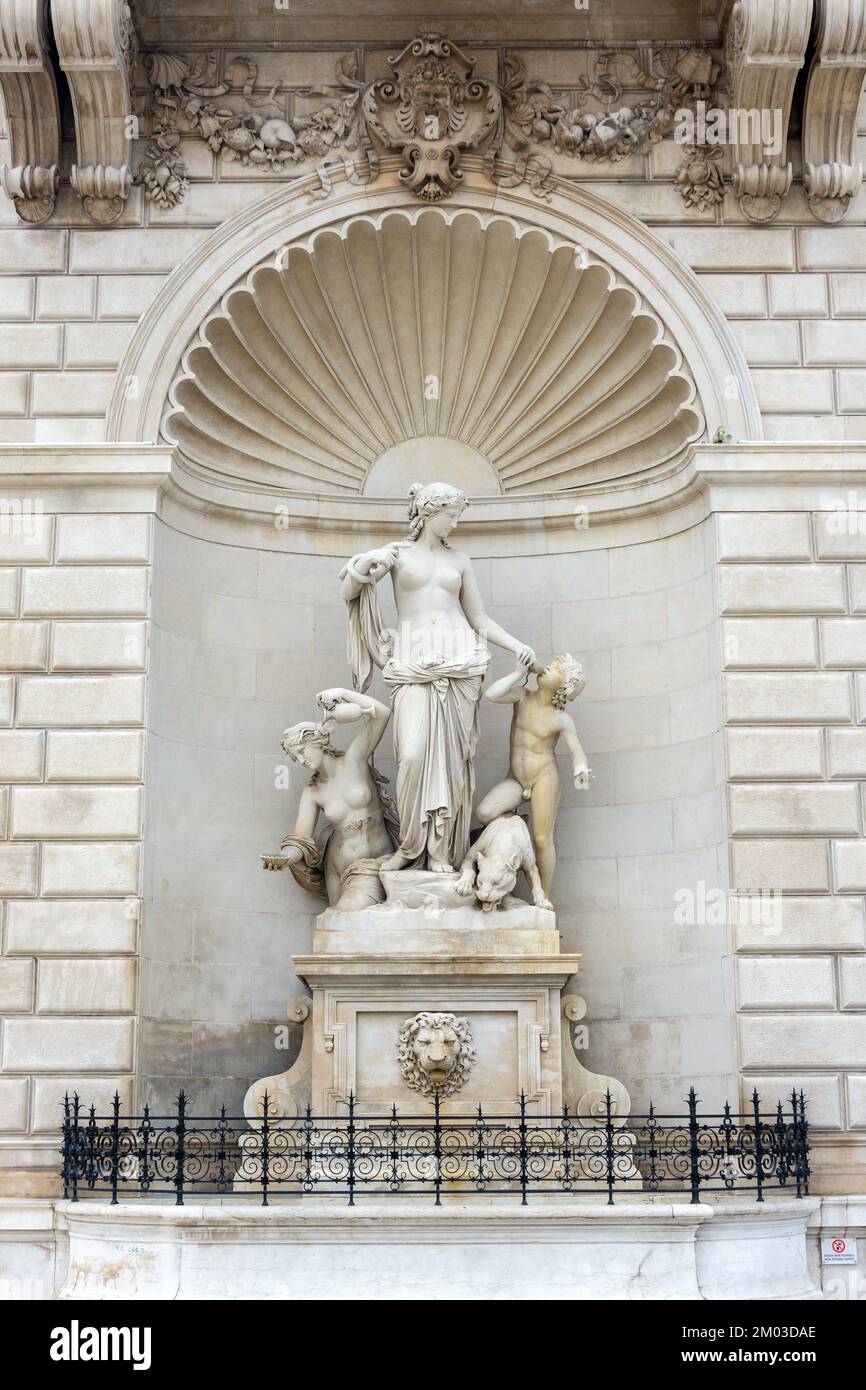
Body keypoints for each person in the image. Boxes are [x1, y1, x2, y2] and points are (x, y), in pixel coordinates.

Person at [340, 481, 536, 872]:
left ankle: (441, 852)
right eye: (451, 515)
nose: (456, 523)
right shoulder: (397, 555)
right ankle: (410, 847)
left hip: (460, 662)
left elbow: (478, 618)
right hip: (412, 665)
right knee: (412, 756)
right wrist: (367, 560)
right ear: (430, 512)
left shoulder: (460, 560)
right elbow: (349, 591)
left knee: (451, 763)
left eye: (459, 516)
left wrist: (515, 645)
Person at [261, 688, 396, 909]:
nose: (301, 760)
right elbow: (300, 839)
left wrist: (343, 693)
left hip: (379, 859)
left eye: (302, 751)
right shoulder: (313, 792)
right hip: (339, 867)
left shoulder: (355, 759)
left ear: (317, 742)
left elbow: (381, 713)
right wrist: (284, 858)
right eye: (295, 757)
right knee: (337, 930)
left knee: (350, 917)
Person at [475, 654, 592, 900]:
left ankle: (544, 898)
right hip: (516, 779)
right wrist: (518, 672)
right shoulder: (522, 696)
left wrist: (581, 768)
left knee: (542, 839)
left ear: (565, 685)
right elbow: (492, 695)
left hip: (544, 778)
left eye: (555, 668)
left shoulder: (561, 718)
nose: (547, 667)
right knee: (484, 813)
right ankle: (518, 824)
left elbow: (576, 751)